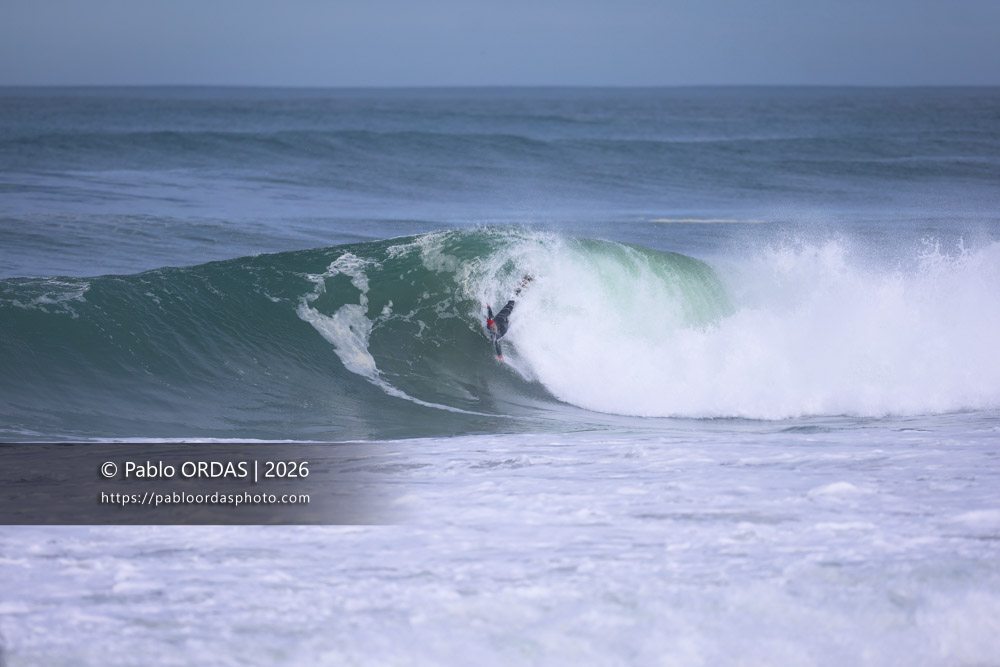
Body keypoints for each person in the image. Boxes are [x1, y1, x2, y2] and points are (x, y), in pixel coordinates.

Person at [485, 275, 532, 361]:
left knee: (512, 300)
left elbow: (490, 314)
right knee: (515, 317)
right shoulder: (494, 335)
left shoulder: (491, 320)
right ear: (490, 329)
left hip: (502, 317)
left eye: (493, 326)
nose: (494, 328)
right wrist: (500, 355)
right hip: (506, 324)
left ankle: (524, 282)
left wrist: (488, 307)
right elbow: (496, 345)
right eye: (492, 328)